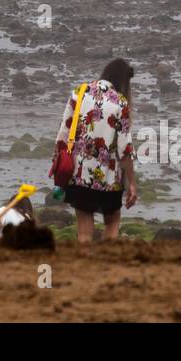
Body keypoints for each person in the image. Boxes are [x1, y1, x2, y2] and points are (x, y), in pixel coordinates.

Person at [51, 57, 138, 242]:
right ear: (123, 81)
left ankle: (85, 267)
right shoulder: (121, 103)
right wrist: (132, 182)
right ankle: (106, 265)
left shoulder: (79, 93)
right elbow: (125, 150)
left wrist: (57, 165)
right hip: (109, 179)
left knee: (83, 232)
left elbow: (63, 134)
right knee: (112, 223)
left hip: (79, 174)